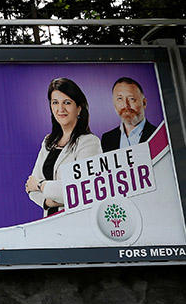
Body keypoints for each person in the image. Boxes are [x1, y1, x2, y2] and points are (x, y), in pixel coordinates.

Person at [25, 78, 102, 216]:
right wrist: (49, 202)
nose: (60, 109)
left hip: (77, 224)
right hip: (50, 222)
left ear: (79, 108)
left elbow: (82, 190)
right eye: (55, 102)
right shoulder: (48, 141)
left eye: (67, 102)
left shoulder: (90, 143)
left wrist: (40, 185)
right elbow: (30, 188)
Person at [101, 77, 156, 153]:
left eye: (131, 99)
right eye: (120, 99)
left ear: (144, 103)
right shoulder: (107, 139)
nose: (126, 105)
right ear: (114, 104)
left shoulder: (158, 135)